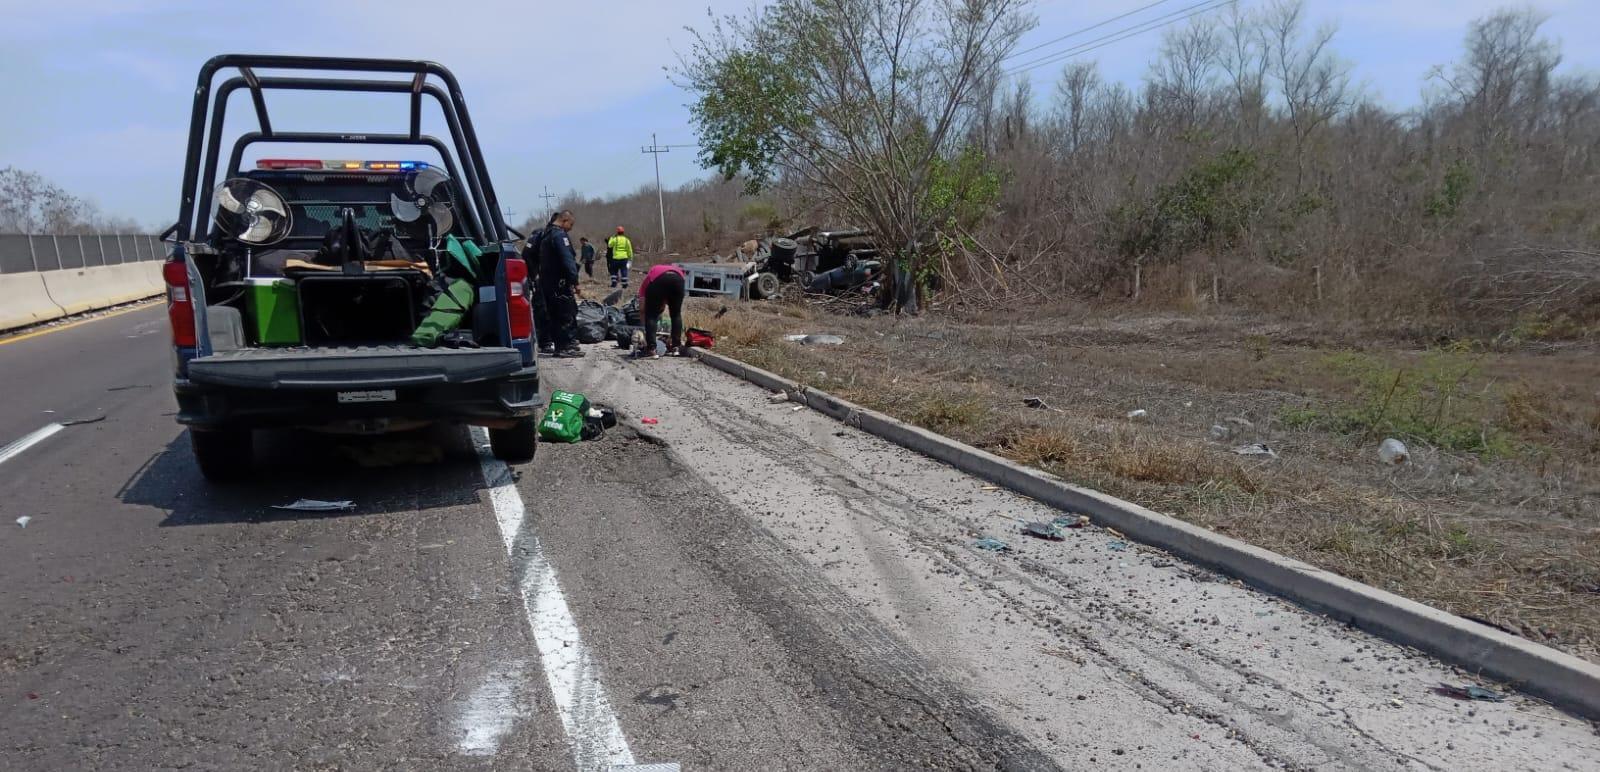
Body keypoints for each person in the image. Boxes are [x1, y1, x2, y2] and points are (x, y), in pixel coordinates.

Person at [538, 210, 584, 358]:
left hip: (548, 283)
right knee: (565, 314)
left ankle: (561, 346)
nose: (570, 228)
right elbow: (567, 260)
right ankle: (565, 347)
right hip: (559, 284)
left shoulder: (546, 235)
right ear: (564, 220)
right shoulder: (559, 236)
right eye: (570, 224)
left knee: (554, 315)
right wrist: (575, 282)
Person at [637, 262, 686, 358]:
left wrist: (644, 327)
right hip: (679, 280)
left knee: (651, 315)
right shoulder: (675, 270)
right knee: (676, 314)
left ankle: (651, 349)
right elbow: (666, 301)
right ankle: (676, 347)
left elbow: (642, 309)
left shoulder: (648, 280)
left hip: (659, 280)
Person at [520, 228, 555, 354]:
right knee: (542, 309)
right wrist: (535, 275)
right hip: (539, 279)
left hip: (545, 279)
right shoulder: (538, 237)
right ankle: (545, 342)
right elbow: (526, 255)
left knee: (546, 309)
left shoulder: (545, 237)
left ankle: (547, 340)